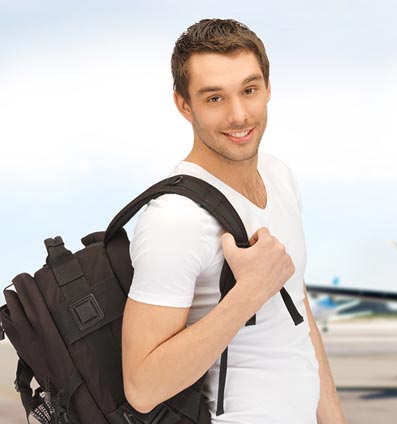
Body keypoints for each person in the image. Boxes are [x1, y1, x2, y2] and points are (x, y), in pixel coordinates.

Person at [120, 18, 346, 423]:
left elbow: (297, 312)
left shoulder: (279, 176)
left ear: (268, 88)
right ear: (183, 104)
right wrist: (250, 291)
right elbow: (142, 386)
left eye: (249, 90)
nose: (239, 115)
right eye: (214, 98)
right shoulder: (175, 219)